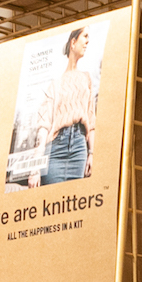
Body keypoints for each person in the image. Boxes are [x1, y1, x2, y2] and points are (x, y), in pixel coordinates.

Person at [30, 27, 96, 187]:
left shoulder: (86, 78)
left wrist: (92, 153)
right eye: (85, 36)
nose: (88, 41)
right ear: (73, 42)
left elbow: (91, 121)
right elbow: (44, 126)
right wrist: (35, 168)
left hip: (79, 148)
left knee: (76, 200)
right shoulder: (55, 83)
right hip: (55, 149)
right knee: (52, 200)